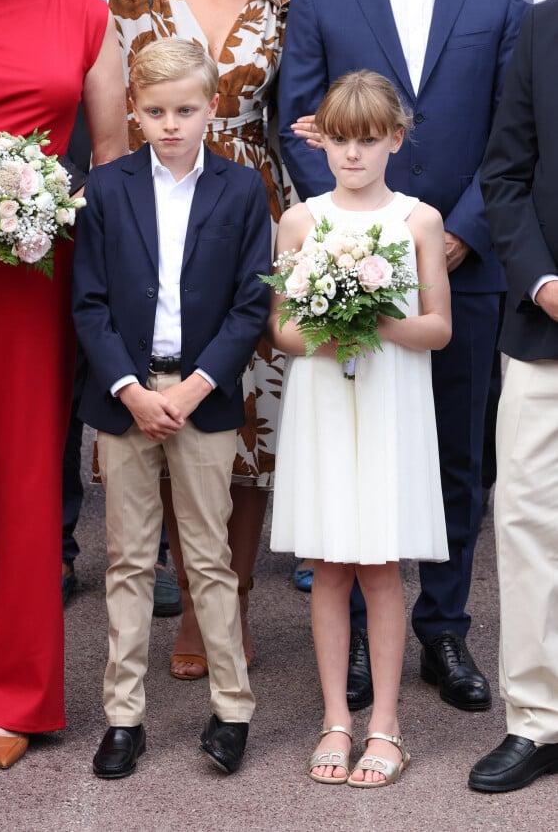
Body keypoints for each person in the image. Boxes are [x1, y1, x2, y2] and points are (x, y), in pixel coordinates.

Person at [278, 0, 526, 715]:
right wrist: (350, 240)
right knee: (352, 457)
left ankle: (444, 626)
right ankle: (353, 631)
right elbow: (297, 116)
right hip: (346, 254)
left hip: (465, 257)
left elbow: (513, 120)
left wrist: (461, 233)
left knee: (456, 453)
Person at [72, 38, 271, 778]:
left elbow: (252, 303)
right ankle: (124, 716)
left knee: (209, 558)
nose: (171, 124)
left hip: (202, 398)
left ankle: (231, 708)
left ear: (211, 107)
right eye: (155, 111)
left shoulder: (242, 189)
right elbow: (89, 304)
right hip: (127, 397)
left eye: (186, 110)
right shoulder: (110, 187)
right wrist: (129, 387)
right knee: (126, 558)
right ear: (134, 110)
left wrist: (192, 388)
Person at [109, 0, 307, 680]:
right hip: (160, 201)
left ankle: (237, 599)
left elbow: (304, 93)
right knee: (169, 400)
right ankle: (193, 597)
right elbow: (114, 110)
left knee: (253, 413)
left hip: (257, 201)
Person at [269, 70, 451, 787]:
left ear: (394, 140)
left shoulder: (419, 221)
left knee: (378, 564)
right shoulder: (301, 220)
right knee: (330, 563)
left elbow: (437, 327)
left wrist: (375, 316)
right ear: (323, 142)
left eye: (368, 140)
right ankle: (335, 715)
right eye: (340, 140)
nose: (352, 155)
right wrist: (327, 322)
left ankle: (386, 721)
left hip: (387, 399)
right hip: (323, 396)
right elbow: (281, 330)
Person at [0, 0, 127, 770]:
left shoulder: (82, 15)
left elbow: (108, 168)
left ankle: (16, 692)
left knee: (30, 473)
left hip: (34, 266)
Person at [31, 0, 179, 616]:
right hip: (38, 207)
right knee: (52, 386)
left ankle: (159, 554)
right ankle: (57, 545)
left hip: (148, 194)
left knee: (151, 362)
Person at [468, 0, 558, 794]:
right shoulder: (542, 27)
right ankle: (537, 720)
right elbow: (506, 174)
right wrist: (544, 281)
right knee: (527, 520)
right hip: (545, 326)